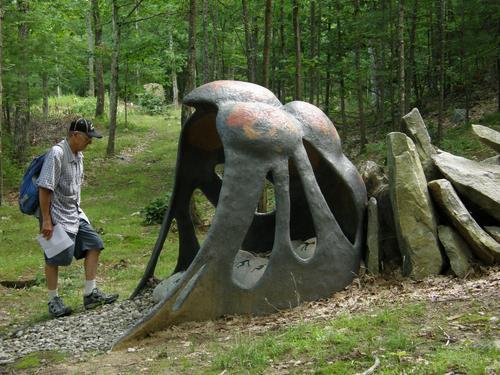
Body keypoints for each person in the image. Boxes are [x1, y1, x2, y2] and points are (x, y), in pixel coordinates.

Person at [37, 118, 118, 318]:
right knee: (55, 256)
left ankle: (90, 294)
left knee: (95, 244)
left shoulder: (79, 154)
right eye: (87, 138)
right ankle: (53, 300)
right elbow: (45, 188)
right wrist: (47, 220)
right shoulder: (57, 154)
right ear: (75, 135)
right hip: (55, 214)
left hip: (74, 212)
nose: (90, 142)